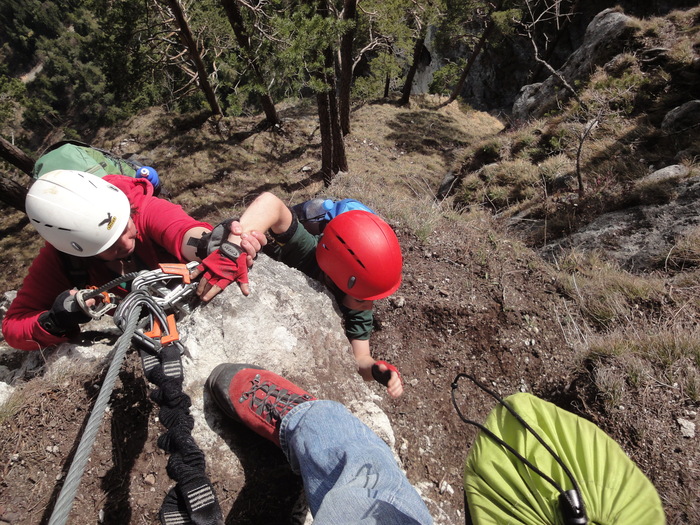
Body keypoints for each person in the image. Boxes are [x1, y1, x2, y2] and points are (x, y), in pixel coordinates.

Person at [2, 170, 255, 351]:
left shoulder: (141, 208)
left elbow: (185, 234)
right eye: (109, 245)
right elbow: (13, 326)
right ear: (79, 251)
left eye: (125, 226)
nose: (125, 243)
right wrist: (56, 319)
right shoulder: (61, 260)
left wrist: (213, 244)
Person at [222, 192, 405, 398]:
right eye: (363, 298)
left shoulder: (360, 295)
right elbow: (270, 203)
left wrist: (375, 370)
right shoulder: (307, 250)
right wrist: (231, 252)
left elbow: (360, 356)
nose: (367, 305)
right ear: (335, 275)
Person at [206, 363, 433, 524]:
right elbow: (360, 359)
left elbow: (360, 353)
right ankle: (307, 421)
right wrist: (377, 368)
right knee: (376, 485)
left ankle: (306, 420)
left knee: (369, 473)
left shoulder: (362, 309)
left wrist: (374, 368)